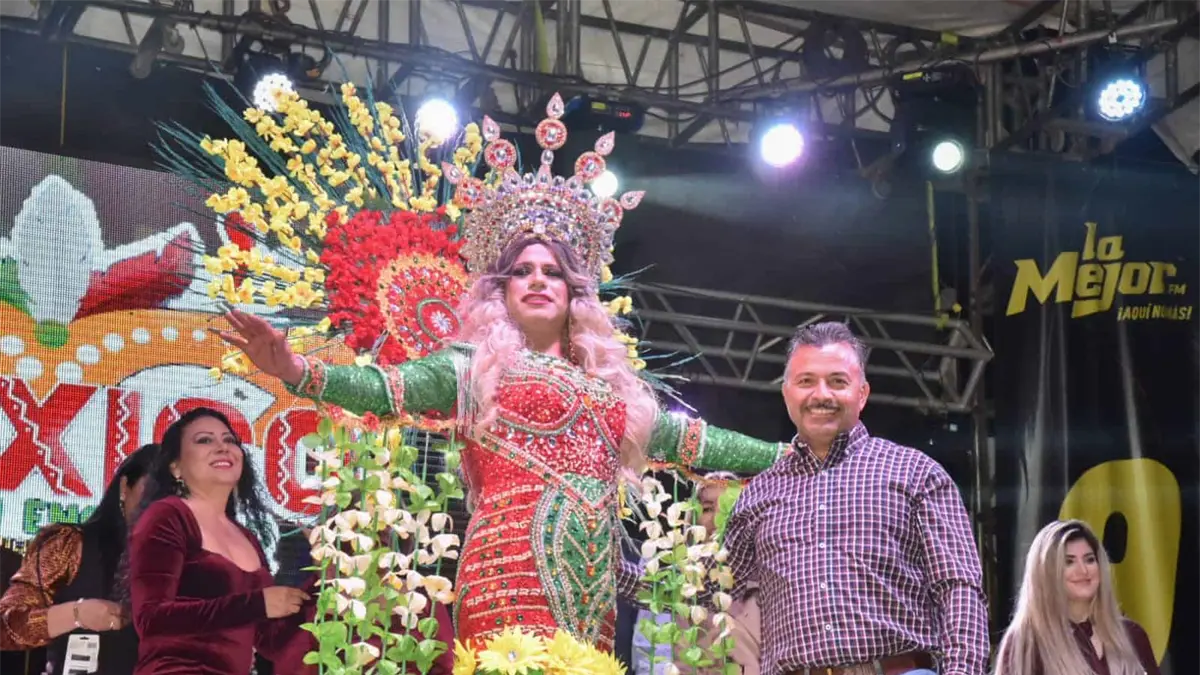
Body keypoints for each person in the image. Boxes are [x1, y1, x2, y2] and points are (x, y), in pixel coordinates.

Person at [217, 98, 789, 652]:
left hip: (591, 587)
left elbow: (695, 442)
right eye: (522, 271)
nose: (538, 280)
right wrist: (296, 369)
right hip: (506, 573)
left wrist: (790, 455)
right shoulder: (474, 365)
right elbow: (386, 390)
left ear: (575, 292)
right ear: (502, 289)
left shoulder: (612, 391)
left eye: (553, 272)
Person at [724, 321, 989, 675]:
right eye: (806, 381)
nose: (821, 395)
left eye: (837, 381)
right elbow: (710, 591)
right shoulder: (757, 494)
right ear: (786, 393)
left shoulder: (916, 474)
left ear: (862, 394)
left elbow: (959, 587)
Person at [126, 407, 313, 675]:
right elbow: (151, 618)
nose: (222, 447)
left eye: (230, 440)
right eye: (205, 440)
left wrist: (327, 574)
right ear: (175, 467)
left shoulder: (246, 537)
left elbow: (271, 640)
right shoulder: (168, 516)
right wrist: (256, 604)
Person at [0, 443, 159, 675]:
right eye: (154, 491)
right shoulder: (69, 544)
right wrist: (76, 614)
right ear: (125, 487)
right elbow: (6, 628)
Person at [993, 520, 1159, 675]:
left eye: (1089, 560)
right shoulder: (1025, 642)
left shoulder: (1132, 635)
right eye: (1069, 562)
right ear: (1046, 572)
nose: (1083, 570)